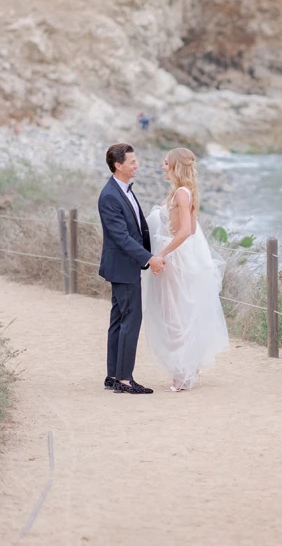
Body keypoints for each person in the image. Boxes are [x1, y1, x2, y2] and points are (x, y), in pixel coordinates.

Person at [142, 147, 230, 392]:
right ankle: (186, 368)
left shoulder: (181, 193)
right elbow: (189, 231)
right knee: (175, 312)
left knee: (175, 315)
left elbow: (185, 231)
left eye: (166, 162)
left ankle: (183, 373)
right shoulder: (179, 192)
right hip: (174, 256)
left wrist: (161, 253)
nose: (162, 166)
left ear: (175, 165)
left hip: (174, 260)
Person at [97, 143, 166, 396]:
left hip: (124, 266)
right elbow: (122, 237)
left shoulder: (122, 190)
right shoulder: (110, 195)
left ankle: (113, 376)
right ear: (118, 165)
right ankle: (125, 380)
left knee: (119, 321)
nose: (136, 165)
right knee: (131, 320)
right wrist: (150, 258)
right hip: (122, 267)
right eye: (132, 162)